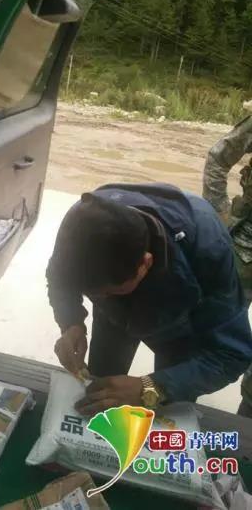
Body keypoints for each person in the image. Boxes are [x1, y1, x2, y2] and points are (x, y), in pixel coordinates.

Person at [47, 183, 252, 415]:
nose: (100, 298)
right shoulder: (81, 223)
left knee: (167, 405)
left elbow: (232, 354)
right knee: (99, 388)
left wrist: (152, 387)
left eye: (111, 291)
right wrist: (71, 322)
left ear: (145, 263)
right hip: (113, 318)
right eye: (92, 294)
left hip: (179, 326)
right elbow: (59, 277)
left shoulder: (208, 249)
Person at [203, 115, 252, 417]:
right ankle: (177, 404)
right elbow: (218, 158)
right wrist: (217, 210)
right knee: (212, 333)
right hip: (244, 249)